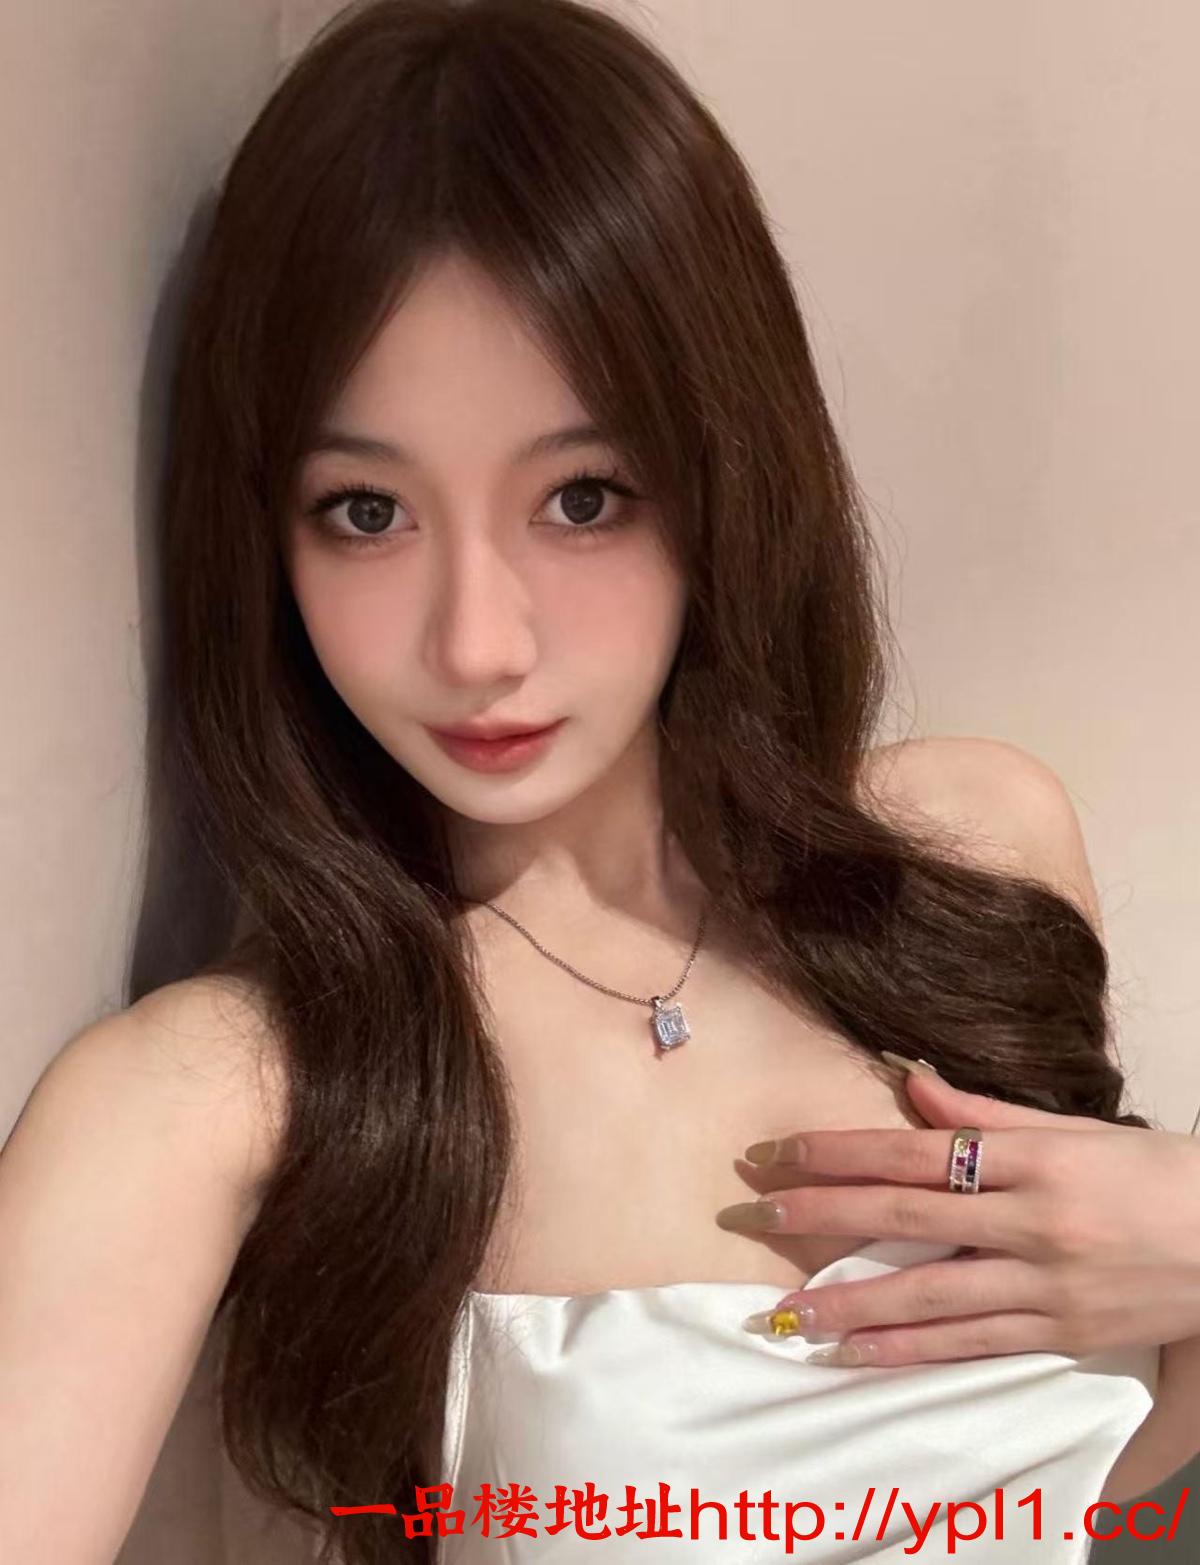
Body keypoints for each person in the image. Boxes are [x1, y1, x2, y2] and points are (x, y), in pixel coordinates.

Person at [3, 2, 1198, 1562]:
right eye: (366, 510)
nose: (477, 643)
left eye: (581, 497)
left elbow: (1097, 1495)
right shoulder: (230, 1091)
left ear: (721, 481)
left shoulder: (978, 850)